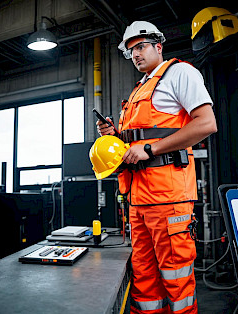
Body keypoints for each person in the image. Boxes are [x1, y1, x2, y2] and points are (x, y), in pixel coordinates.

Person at [97, 21, 217, 314]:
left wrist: (150, 149)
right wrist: (115, 135)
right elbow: (136, 144)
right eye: (130, 50)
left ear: (158, 46)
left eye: (140, 46)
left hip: (169, 200)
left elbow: (206, 124)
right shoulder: (138, 91)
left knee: (177, 283)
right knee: (144, 282)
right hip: (138, 203)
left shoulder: (179, 73)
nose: (135, 54)